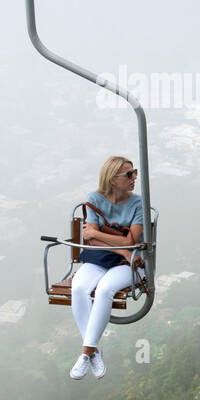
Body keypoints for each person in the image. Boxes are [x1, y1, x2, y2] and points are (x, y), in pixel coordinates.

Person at [69, 155, 144, 380]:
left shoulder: (137, 203)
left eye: (135, 173)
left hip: (129, 262)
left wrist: (105, 238)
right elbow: (90, 241)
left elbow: (133, 240)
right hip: (102, 258)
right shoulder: (95, 199)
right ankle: (94, 351)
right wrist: (120, 247)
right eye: (128, 174)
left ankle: (85, 353)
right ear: (112, 179)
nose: (134, 178)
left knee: (104, 290)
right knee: (78, 288)